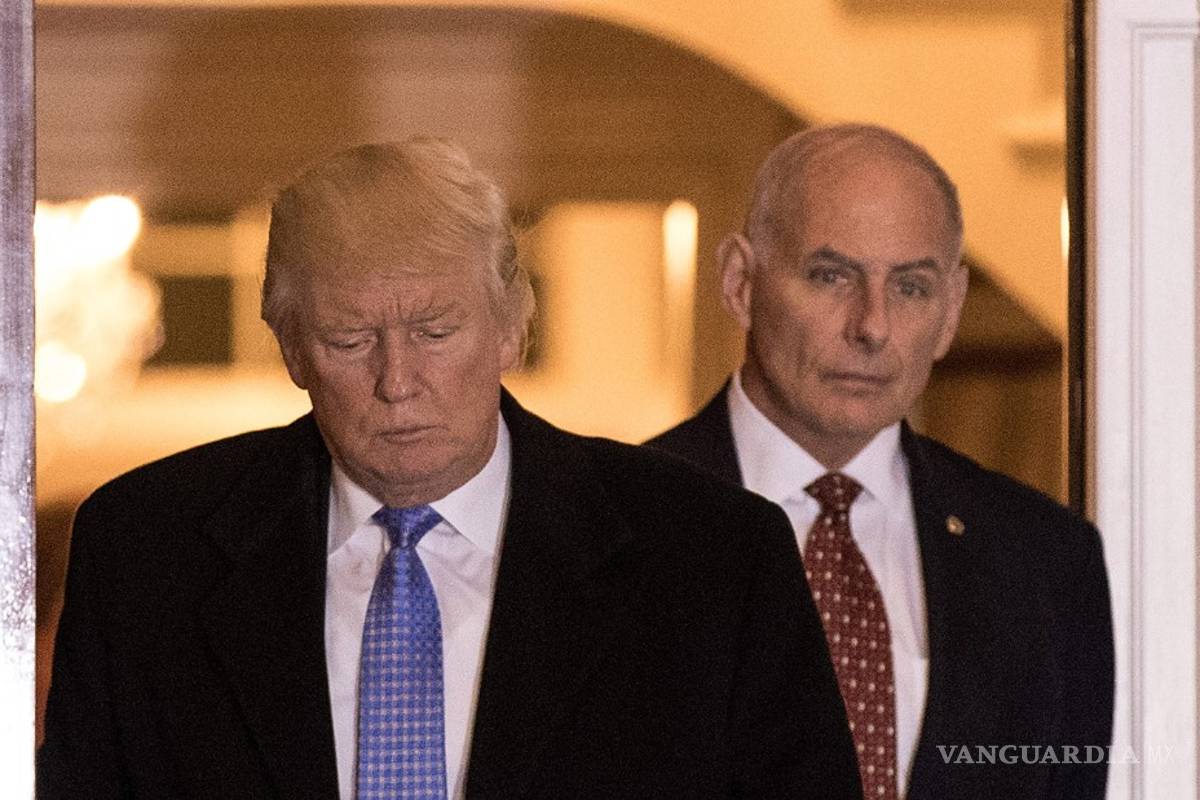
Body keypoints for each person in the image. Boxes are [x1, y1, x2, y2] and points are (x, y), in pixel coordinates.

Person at [38, 137, 861, 799]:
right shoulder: (145, 550)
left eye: (435, 332)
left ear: (512, 326)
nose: (397, 382)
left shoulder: (716, 558)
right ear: (290, 348)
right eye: (349, 340)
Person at [648, 123, 1113, 800]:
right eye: (830, 276)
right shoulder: (605, 533)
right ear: (740, 283)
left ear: (951, 311)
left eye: (911, 288)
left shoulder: (1047, 561)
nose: (871, 326)